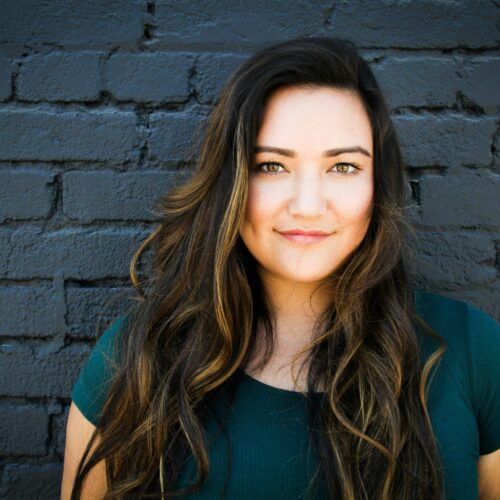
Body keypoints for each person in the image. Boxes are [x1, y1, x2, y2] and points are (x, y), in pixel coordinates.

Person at [61, 37, 500, 499]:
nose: (308, 206)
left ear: (379, 185)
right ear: (230, 182)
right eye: (271, 166)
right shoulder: (137, 360)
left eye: (344, 167)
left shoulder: (473, 353)